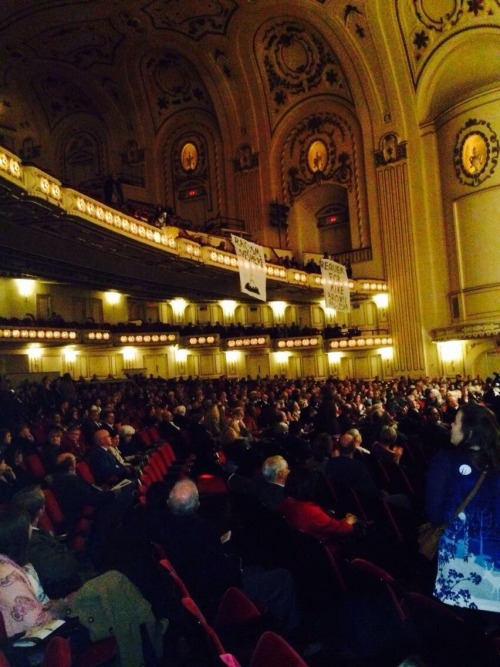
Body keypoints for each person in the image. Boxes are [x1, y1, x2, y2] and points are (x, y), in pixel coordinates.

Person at [425, 403, 500, 618]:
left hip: (459, 570)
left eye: (456, 422)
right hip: (494, 567)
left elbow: (435, 514)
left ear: (470, 431)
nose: (451, 425)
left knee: (463, 630)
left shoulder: (445, 461)